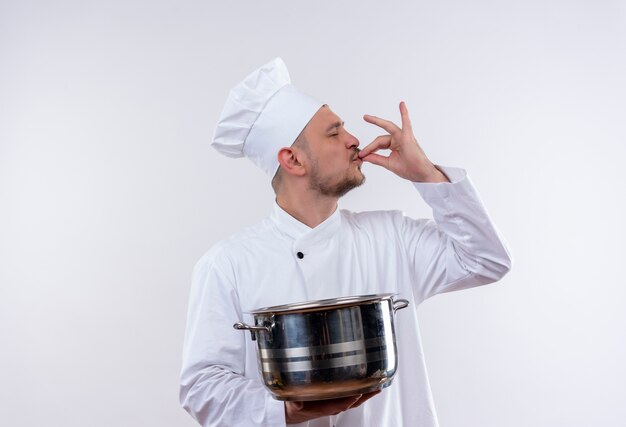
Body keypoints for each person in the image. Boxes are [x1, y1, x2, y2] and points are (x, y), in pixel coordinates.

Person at [179, 57, 512, 427]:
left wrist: (427, 175)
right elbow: (202, 387)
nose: (354, 140)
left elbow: (486, 260)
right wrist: (285, 410)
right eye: (334, 133)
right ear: (293, 159)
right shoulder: (228, 264)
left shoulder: (392, 237)